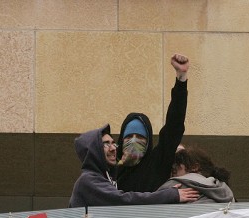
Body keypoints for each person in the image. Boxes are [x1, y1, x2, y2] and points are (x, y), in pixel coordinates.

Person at [68, 125, 199, 208]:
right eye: (106, 144)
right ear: (93, 150)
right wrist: (167, 196)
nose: (113, 148)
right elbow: (123, 200)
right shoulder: (89, 180)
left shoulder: (105, 178)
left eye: (114, 143)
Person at [115, 53, 190, 193]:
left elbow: (174, 125)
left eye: (140, 138)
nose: (134, 142)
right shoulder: (111, 171)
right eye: (129, 137)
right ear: (121, 140)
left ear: (148, 142)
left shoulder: (157, 163)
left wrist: (181, 78)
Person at [158, 146, 235, 204]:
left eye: (176, 169)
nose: (173, 175)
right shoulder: (226, 192)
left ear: (194, 167)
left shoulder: (177, 184)